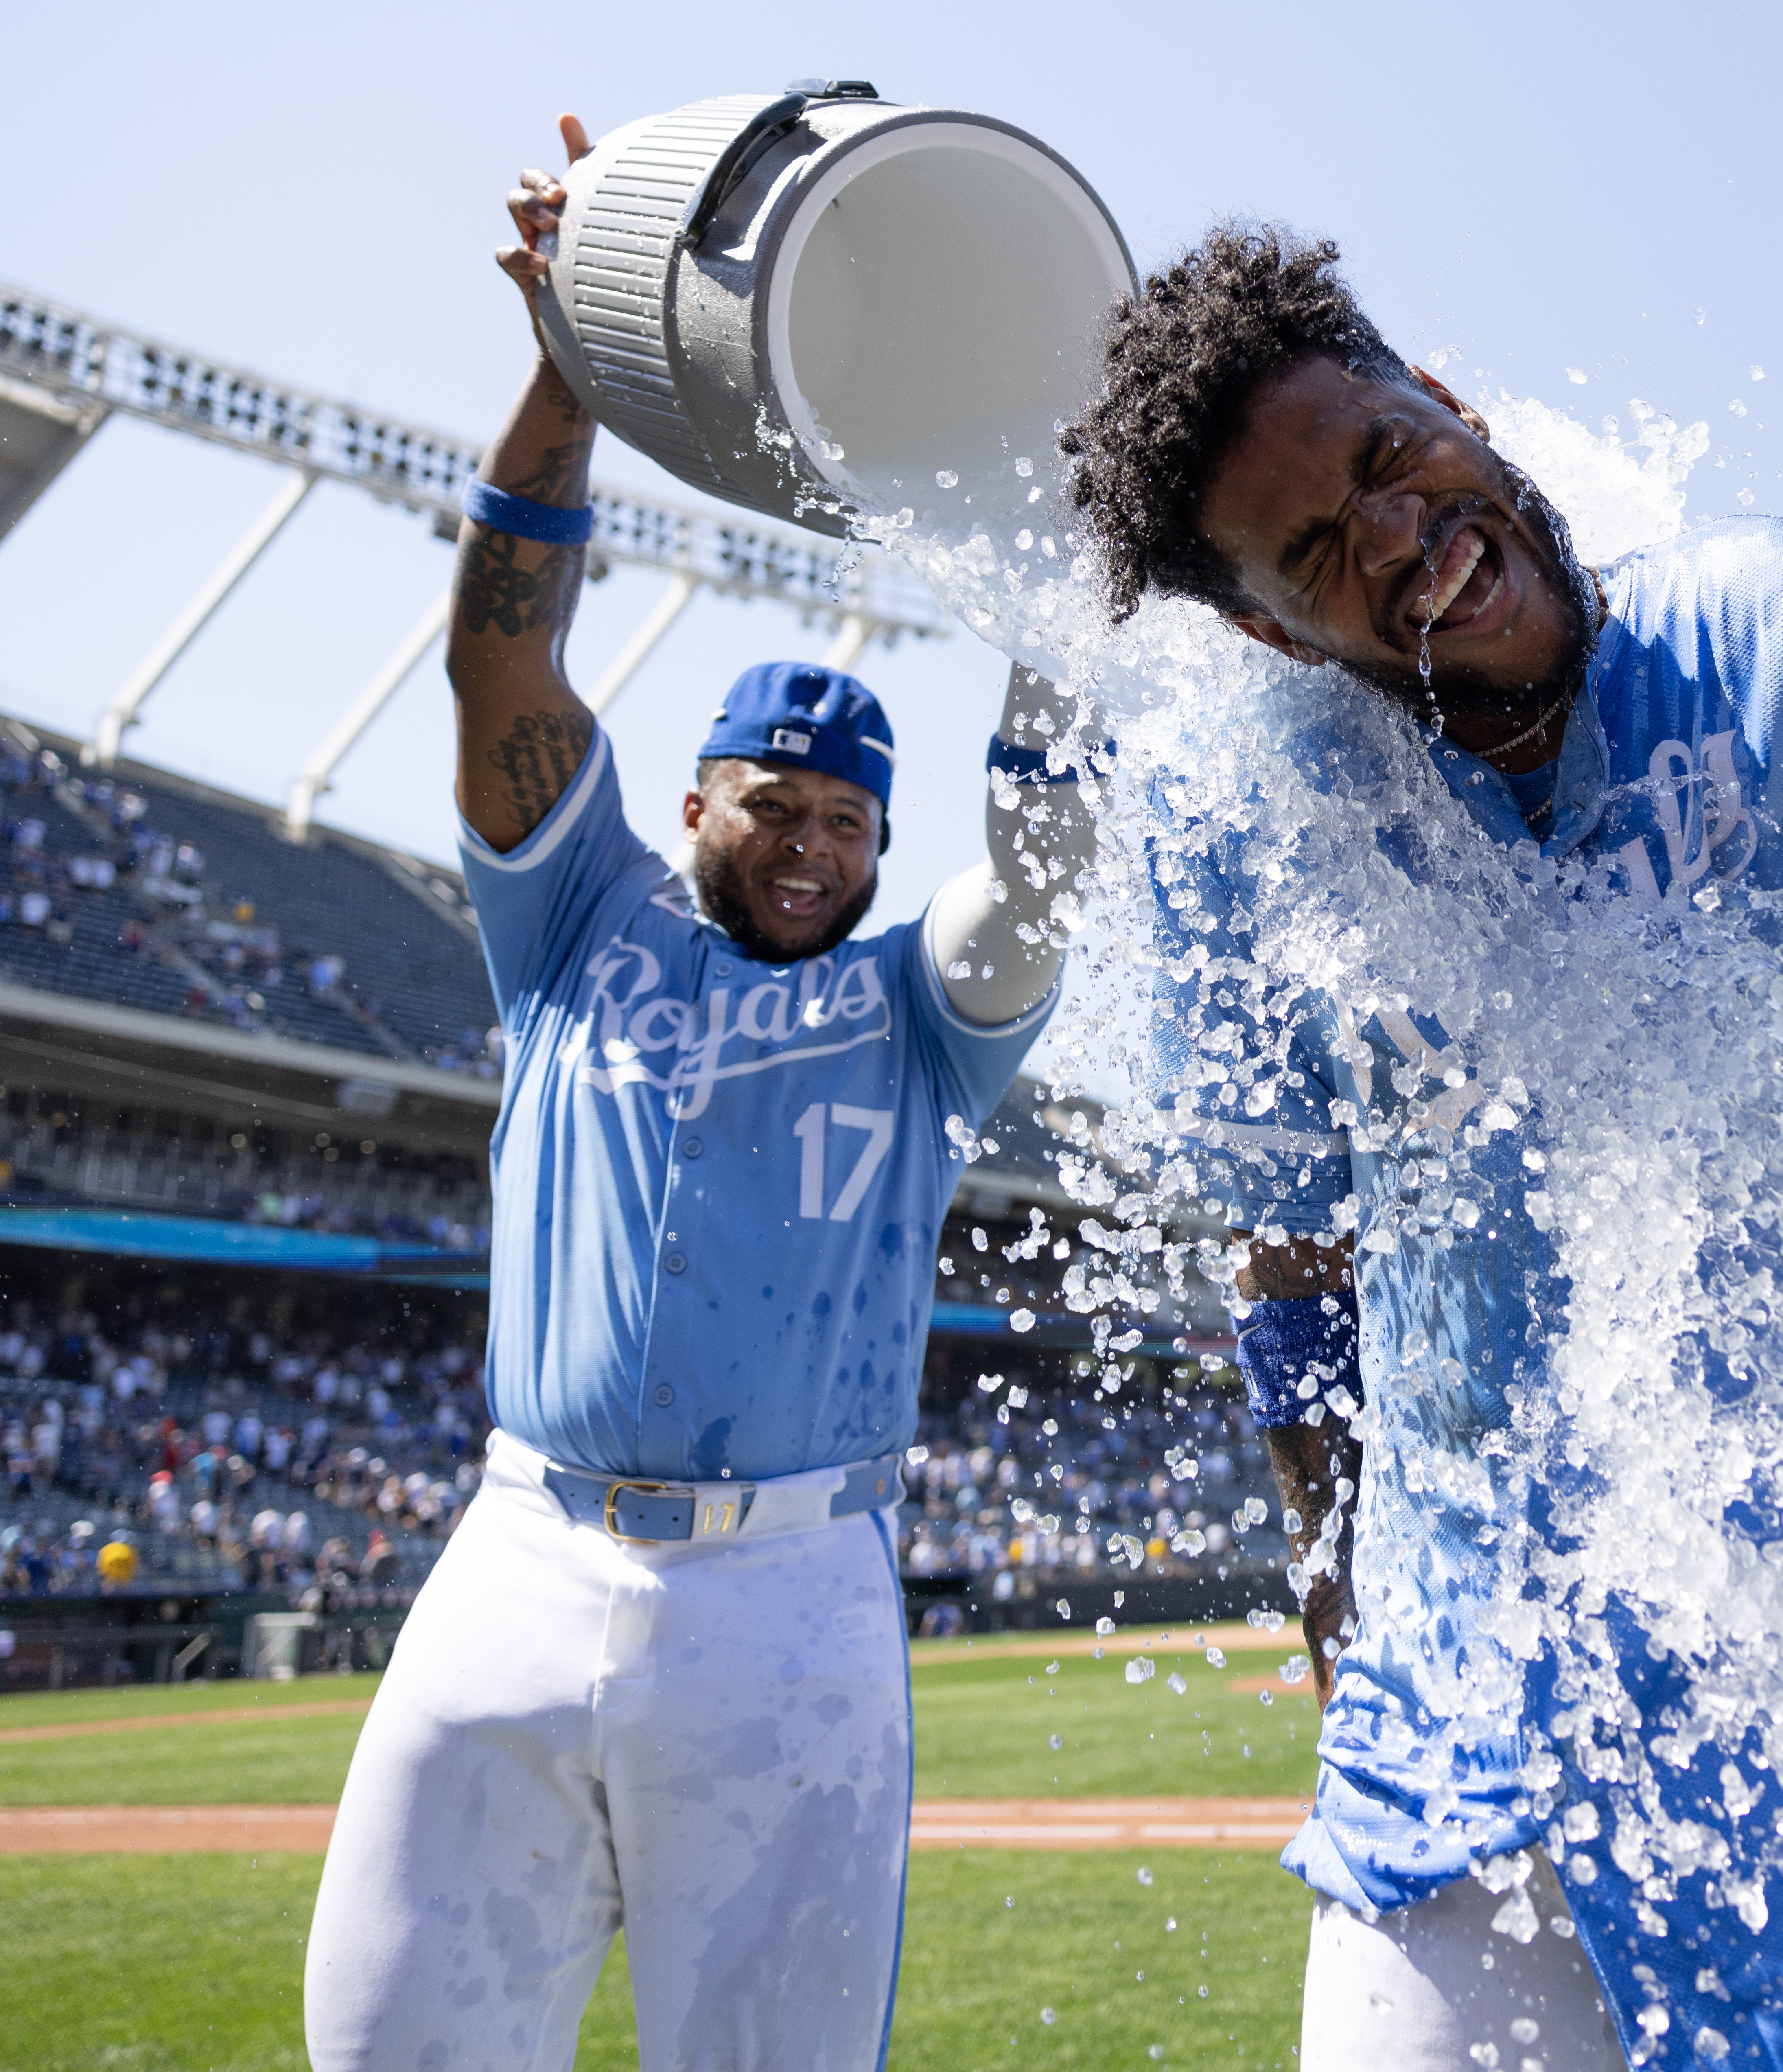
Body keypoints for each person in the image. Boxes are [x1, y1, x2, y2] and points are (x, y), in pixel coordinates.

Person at [1057, 226, 1783, 2070]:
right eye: (1316, 549)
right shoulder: (1240, 831)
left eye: (1389, 458)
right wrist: (1345, 1660)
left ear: (1448, 403)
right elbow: (1294, 1281)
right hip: (1456, 1696)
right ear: (1262, 630)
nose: (1394, 536)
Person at [301, 118, 1094, 2068]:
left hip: (789, 1596)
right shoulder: (580, 925)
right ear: (694, 802)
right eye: (780, 805)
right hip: (516, 1552)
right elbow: (506, 653)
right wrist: (576, 351)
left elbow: (1046, 862)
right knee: (386, 2046)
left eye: (851, 820)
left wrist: (1045, 580)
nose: (817, 844)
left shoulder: (929, 1009)